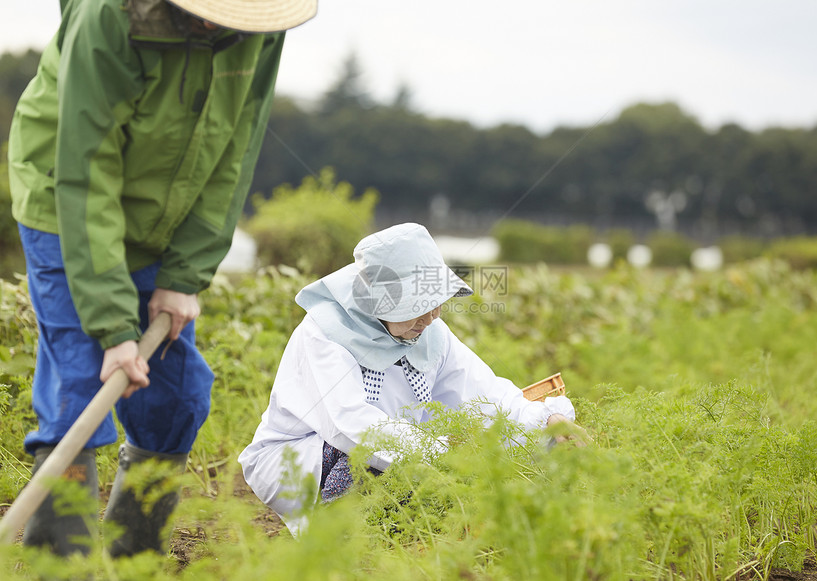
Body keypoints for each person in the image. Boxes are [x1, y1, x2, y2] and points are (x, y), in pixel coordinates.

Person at [7, 0, 317, 557]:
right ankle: (60, 563)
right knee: (81, 388)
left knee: (177, 397)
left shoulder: (259, 27)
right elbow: (86, 165)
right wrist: (112, 327)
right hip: (66, 203)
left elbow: (234, 151)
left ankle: (137, 559)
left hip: (165, 219)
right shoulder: (110, 16)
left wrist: (183, 275)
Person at [239, 223, 589, 536]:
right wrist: (443, 455)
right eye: (416, 306)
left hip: (400, 448)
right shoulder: (327, 332)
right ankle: (343, 540)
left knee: (488, 441)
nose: (431, 316)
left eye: (435, 302)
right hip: (300, 455)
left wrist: (545, 420)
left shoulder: (430, 332)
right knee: (362, 462)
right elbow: (350, 425)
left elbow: (484, 391)